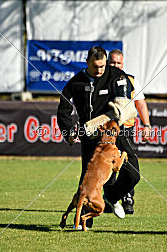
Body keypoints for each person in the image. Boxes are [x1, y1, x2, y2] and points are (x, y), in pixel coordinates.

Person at [57, 46, 141, 228]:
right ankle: (81, 221)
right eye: (95, 67)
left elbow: (125, 95)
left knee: (133, 174)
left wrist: (122, 104)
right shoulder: (76, 82)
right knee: (88, 179)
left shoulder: (116, 75)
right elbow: (64, 107)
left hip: (113, 132)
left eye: (102, 66)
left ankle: (111, 196)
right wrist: (68, 131)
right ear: (87, 62)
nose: (99, 71)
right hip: (90, 135)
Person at [104, 49, 151, 214]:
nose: (116, 65)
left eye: (118, 63)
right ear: (107, 62)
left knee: (128, 165)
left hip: (127, 128)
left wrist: (146, 125)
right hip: (108, 130)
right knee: (108, 164)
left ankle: (128, 199)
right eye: (113, 62)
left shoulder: (130, 80)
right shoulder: (102, 80)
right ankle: (109, 198)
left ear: (122, 64)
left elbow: (140, 103)